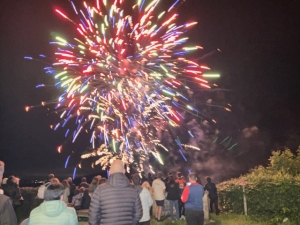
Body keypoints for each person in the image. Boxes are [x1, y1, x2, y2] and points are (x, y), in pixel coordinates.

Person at [89, 159, 142, 225]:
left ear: (110, 172)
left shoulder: (100, 189)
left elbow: (93, 216)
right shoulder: (133, 189)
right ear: (124, 171)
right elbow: (139, 213)